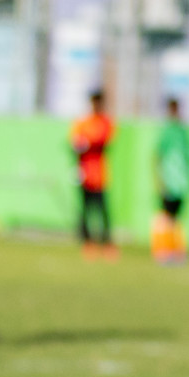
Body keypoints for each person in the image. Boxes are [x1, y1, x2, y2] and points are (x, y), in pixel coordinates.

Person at [70, 89, 115, 258]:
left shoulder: (105, 122)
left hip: (99, 175)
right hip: (84, 174)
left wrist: (86, 142)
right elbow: (74, 142)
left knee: (103, 211)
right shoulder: (83, 122)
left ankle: (107, 242)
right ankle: (87, 241)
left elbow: (102, 140)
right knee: (85, 210)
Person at [152, 96, 189, 264]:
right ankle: (163, 251)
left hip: (180, 182)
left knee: (175, 219)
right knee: (166, 217)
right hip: (169, 181)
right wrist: (160, 180)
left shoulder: (182, 131)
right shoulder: (167, 131)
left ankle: (175, 251)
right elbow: (157, 156)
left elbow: (188, 157)